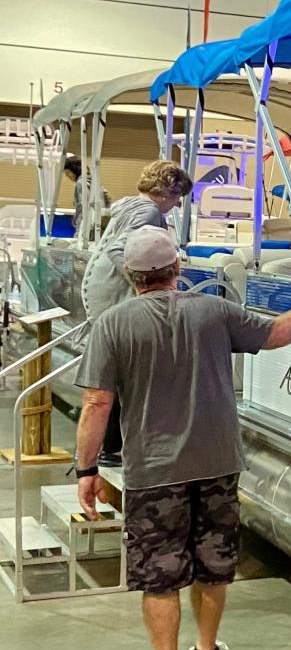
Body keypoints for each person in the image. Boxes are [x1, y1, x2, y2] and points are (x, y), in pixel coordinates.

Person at [75, 225, 291, 650]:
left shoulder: (113, 325)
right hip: (218, 462)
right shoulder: (215, 312)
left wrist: (86, 469)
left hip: (154, 471)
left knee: (160, 576)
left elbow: (97, 403)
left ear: (129, 275)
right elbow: (279, 333)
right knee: (214, 562)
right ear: (177, 267)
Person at [81, 159, 192, 465]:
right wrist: (144, 283)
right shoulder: (149, 212)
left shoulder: (129, 205)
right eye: (177, 197)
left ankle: (111, 446)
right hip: (115, 293)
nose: (177, 204)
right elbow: (120, 249)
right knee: (123, 371)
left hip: (99, 289)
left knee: (113, 368)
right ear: (167, 192)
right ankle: (114, 447)